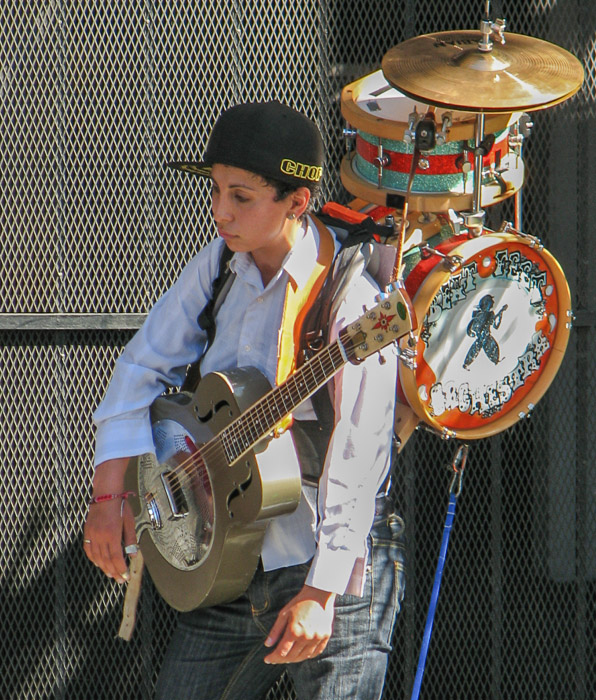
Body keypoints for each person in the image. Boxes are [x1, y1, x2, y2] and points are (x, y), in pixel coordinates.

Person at [83, 101, 405, 699]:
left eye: (241, 196)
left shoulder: (352, 298)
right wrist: (110, 492)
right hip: (230, 558)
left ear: (297, 203)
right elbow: (142, 365)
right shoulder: (219, 266)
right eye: (215, 191)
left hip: (326, 556)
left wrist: (322, 590)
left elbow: (363, 450)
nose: (219, 213)